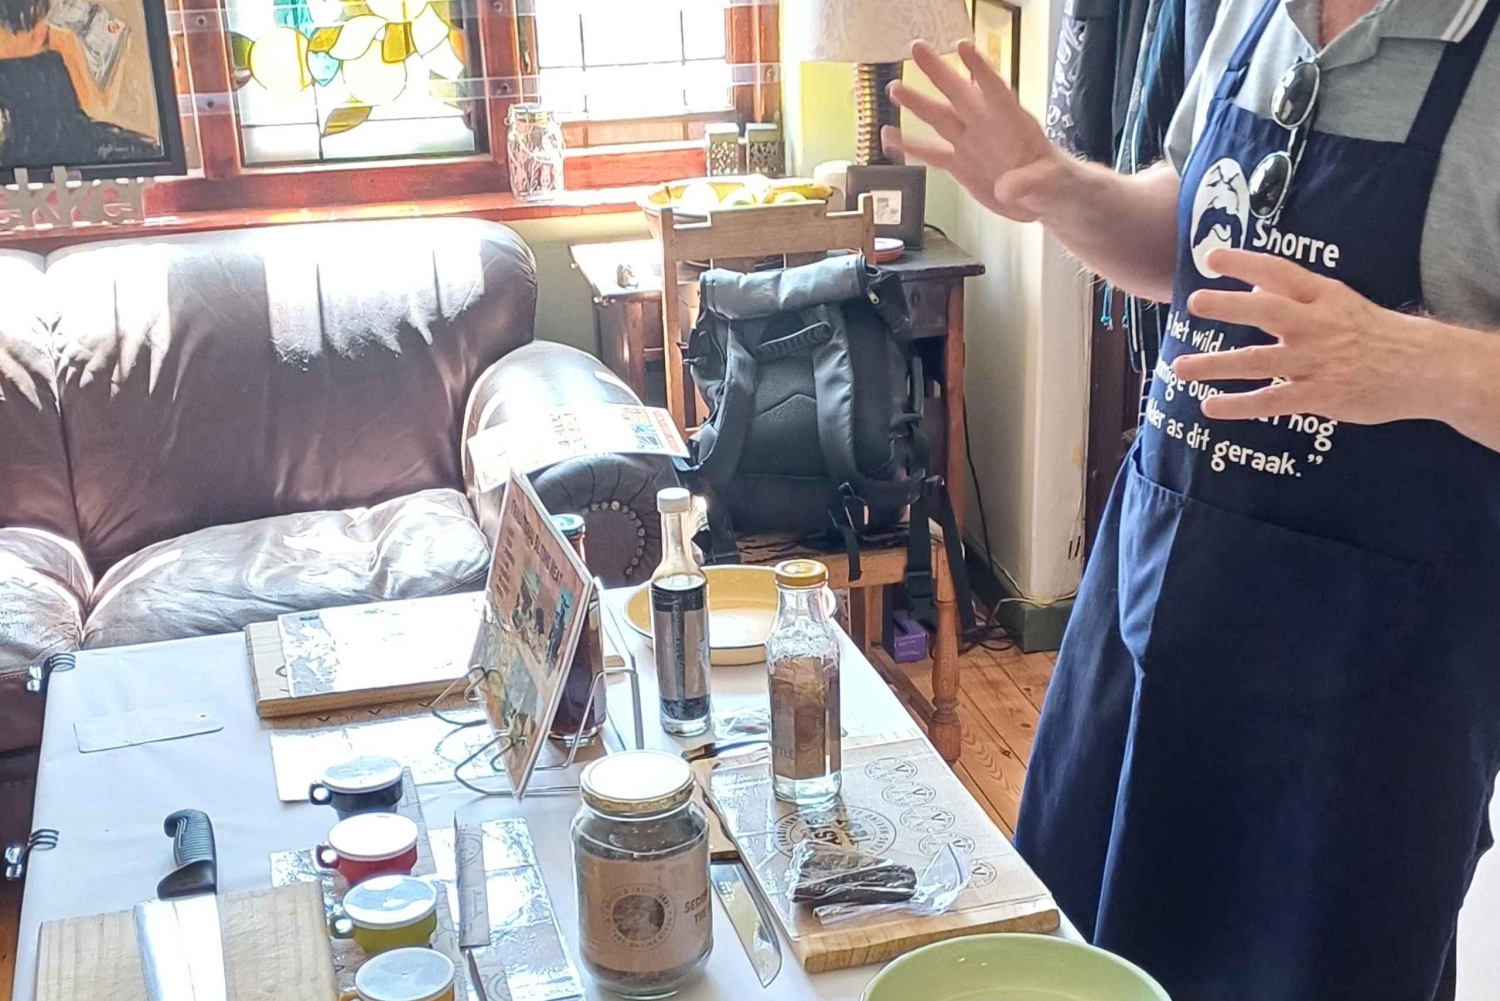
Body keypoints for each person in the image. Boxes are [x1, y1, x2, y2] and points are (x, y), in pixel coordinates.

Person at [886, 1, 1500, 998]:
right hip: (1149, 620)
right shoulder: (1252, 14)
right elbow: (1185, 235)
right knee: (1082, 961)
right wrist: (1055, 185)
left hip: (1370, 701)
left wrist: (1419, 362)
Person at [0, 0, 157, 169]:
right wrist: (120, 52)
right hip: (74, 147)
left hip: (15, 156)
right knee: (148, 153)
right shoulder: (55, 39)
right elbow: (97, 109)